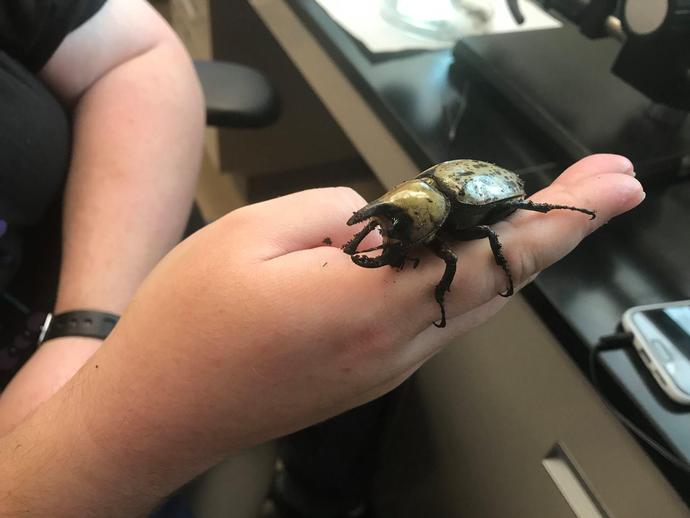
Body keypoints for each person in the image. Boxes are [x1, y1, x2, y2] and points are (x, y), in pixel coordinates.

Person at [0, 0, 645, 516]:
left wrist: (86, 329)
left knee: (509, 230)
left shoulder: (444, 215)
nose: (388, 240)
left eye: (392, 226)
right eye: (387, 227)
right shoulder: (422, 216)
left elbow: (132, 50)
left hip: (482, 191)